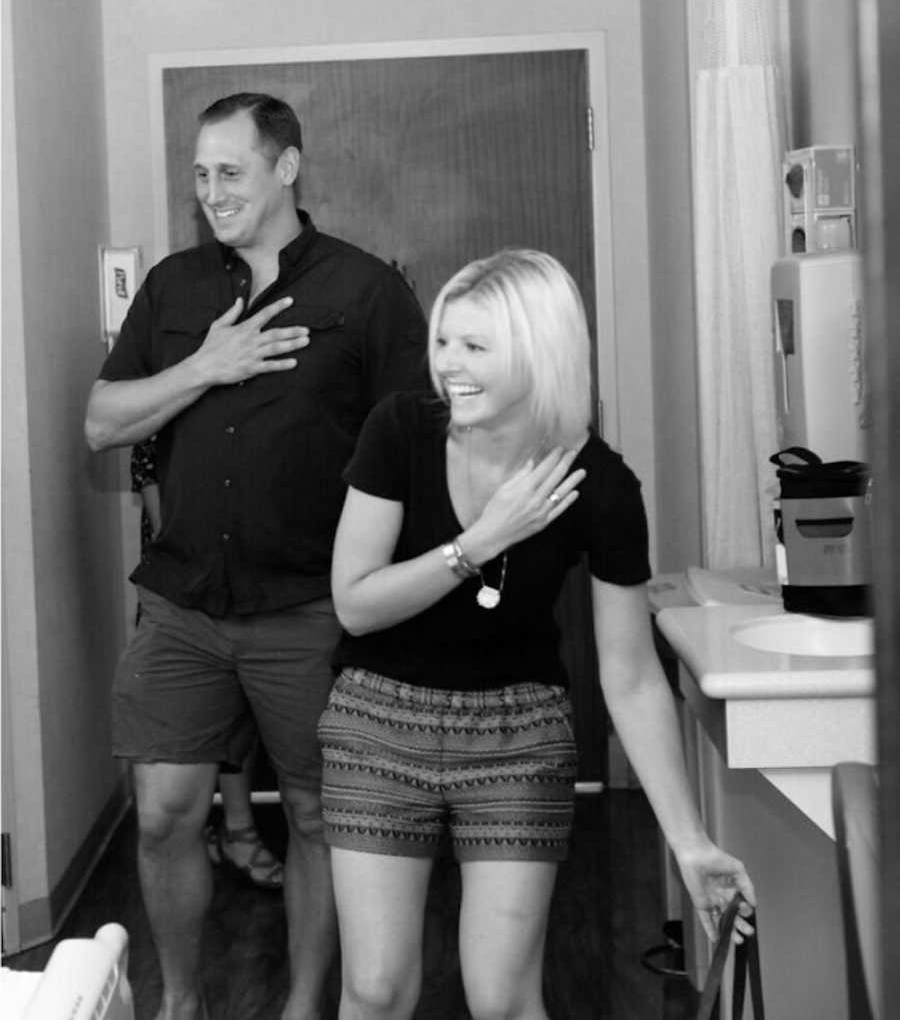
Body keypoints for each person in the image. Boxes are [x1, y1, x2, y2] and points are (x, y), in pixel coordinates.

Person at [318, 248, 757, 1020]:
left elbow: (628, 676)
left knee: (502, 997)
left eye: (475, 346)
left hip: (516, 732)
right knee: (375, 987)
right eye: (445, 341)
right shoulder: (398, 432)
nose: (448, 363)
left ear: (538, 353)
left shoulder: (602, 485)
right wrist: (479, 542)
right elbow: (354, 603)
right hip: (378, 720)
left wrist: (690, 842)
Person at [85, 92, 429, 1020]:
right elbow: (99, 420)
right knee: (161, 811)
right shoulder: (173, 288)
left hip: (311, 610)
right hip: (185, 605)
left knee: (318, 817)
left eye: (229, 171)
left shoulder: (365, 291)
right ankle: (184, 999)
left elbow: (416, 448)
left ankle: (304, 1002)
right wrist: (206, 364)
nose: (211, 192)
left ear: (287, 167)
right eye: (199, 175)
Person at [131, 436, 283, 891]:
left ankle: (239, 830)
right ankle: (217, 837)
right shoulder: (164, 389)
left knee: (239, 711)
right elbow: (153, 492)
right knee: (185, 735)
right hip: (182, 586)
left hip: (249, 584)